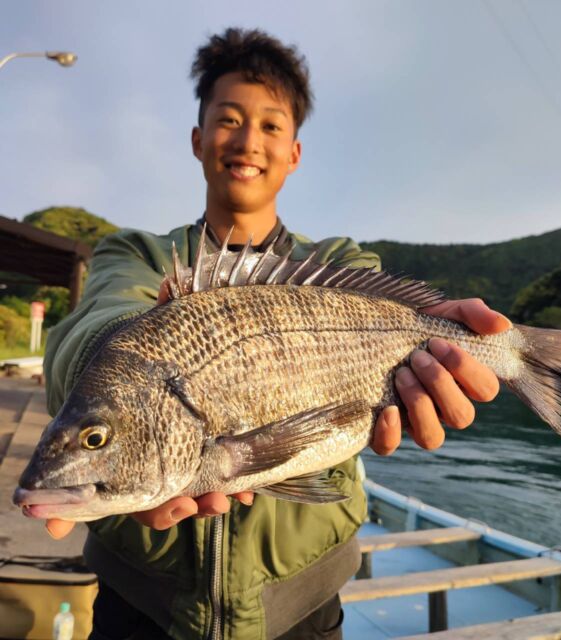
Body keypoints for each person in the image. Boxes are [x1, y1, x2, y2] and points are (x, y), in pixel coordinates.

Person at [44, 28, 509, 640]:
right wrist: (127, 374)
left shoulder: (338, 265)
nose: (247, 141)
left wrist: (445, 351)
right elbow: (88, 327)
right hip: (141, 605)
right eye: (228, 119)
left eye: (270, 125)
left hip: (302, 606)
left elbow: (396, 351)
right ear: (198, 138)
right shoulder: (136, 254)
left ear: (294, 152)